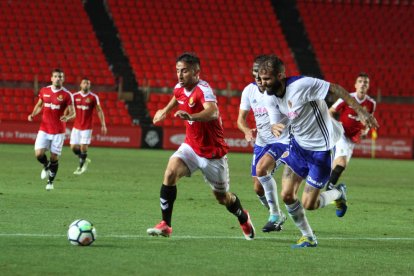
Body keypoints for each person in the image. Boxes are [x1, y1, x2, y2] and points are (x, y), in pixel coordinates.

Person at [259, 55, 379, 248]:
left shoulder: (302, 85)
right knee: (287, 195)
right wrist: (275, 127)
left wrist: (363, 112)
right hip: (298, 147)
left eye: (268, 79)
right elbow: (278, 122)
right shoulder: (269, 96)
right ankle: (308, 237)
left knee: (309, 204)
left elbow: (337, 89)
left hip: (320, 151)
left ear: (280, 75)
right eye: (261, 79)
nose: (264, 83)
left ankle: (338, 194)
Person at [146, 52, 255, 239]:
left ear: (196, 72)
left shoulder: (203, 90)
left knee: (223, 198)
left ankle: (243, 216)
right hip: (190, 146)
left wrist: (190, 116)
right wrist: (164, 110)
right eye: (178, 71)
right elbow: (176, 96)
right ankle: (166, 224)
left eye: (185, 71)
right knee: (170, 172)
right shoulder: (179, 87)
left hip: (213, 154)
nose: (180, 75)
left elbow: (212, 112)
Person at [237, 55, 288, 233]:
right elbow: (240, 119)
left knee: (262, 170)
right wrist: (246, 130)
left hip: (282, 141)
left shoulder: (278, 91)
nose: (258, 80)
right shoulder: (248, 91)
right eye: (255, 76)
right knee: (258, 187)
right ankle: (277, 213)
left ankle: (274, 215)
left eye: (261, 76)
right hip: (261, 143)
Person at [28, 68, 76, 191]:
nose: (58, 78)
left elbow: (73, 113)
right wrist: (33, 114)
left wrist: (68, 116)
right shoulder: (44, 91)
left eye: (60, 76)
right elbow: (39, 105)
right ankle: (45, 165)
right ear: (51, 78)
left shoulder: (67, 94)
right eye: (55, 76)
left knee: (54, 158)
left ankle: (50, 182)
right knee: (39, 154)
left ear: (63, 79)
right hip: (44, 129)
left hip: (58, 131)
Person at [326, 73, 376, 190]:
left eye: (365, 82)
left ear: (368, 86)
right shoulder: (347, 98)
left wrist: (366, 130)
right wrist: (335, 124)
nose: (363, 84)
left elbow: (369, 120)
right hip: (341, 133)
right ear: (355, 85)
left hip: (353, 138)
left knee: (340, 166)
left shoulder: (371, 104)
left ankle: (325, 182)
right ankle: (328, 190)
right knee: (341, 162)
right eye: (360, 81)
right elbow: (330, 111)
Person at [70, 78, 107, 175]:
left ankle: (80, 167)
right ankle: (84, 159)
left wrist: (103, 124)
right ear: (81, 85)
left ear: (89, 85)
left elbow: (99, 110)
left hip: (87, 127)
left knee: (83, 147)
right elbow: (68, 107)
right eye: (84, 83)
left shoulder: (93, 97)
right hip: (76, 126)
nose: (86, 84)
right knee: (73, 147)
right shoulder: (74, 96)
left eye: (88, 83)